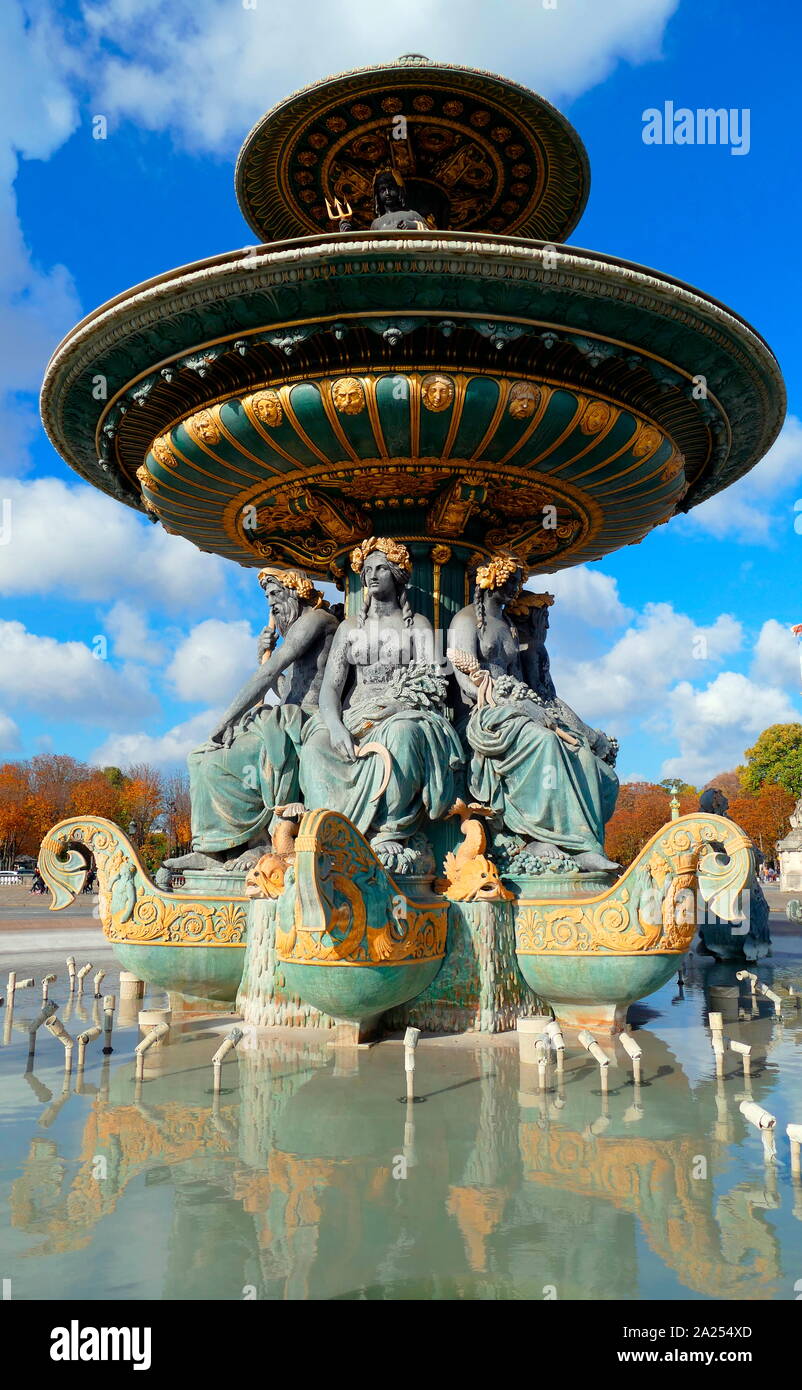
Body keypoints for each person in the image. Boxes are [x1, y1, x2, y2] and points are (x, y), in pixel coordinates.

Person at [299, 536, 464, 872]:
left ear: (398, 576)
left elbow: (435, 682)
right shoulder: (348, 629)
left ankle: (390, 829)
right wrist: (334, 726)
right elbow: (330, 690)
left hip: (403, 711)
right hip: (355, 715)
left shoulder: (416, 626)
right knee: (316, 745)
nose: (372, 575)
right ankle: (329, 832)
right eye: (368, 570)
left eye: (381, 569)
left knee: (402, 734)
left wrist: (399, 705)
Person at [448, 554, 619, 872]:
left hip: (518, 710)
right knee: (543, 743)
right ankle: (535, 837)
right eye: (510, 581)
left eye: (518, 583)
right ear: (491, 580)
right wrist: (509, 702)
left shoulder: (509, 626)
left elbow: (528, 687)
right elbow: (466, 684)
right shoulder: (465, 620)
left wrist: (569, 725)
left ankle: (583, 846)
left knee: (579, 751)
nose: (515, 589)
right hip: (482, 714)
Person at [163, 569, 337, 873]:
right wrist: (265, 656)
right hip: (286, 714)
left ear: (295, 590)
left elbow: (271, 677)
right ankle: (213, 849)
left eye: (275, 594)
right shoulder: (295, 630)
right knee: (200, 758)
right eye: (267, 597)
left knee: (242, 755)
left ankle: (260, 843)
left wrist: (228, 717)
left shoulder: (316, 620)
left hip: (307, 718)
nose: (271, 604)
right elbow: (283, 687)